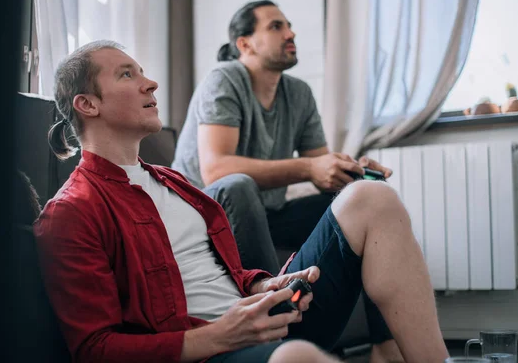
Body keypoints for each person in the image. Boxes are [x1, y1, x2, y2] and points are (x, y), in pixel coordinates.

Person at [33, 40, 449, 363]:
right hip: (209, 351)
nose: (150, 82)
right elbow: (94, 349)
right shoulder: (72, 212)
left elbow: (225, 272)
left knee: (370, 198)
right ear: (87, 105)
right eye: (127, 75)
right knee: (298, 358)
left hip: (260, 324)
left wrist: (265, 284)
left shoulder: (173, 184)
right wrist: (220, 335)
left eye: (142, 71)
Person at [171, 0, 401, 359]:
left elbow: (321, 168)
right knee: (238, 185)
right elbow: (216, 170)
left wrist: (353, 173)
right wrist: (308, 169)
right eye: (276, 26)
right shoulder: (224, 79)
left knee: (363, 198)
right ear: (245, 43)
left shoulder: (299, 93)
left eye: (289, 26)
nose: (290, 33)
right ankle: (276, 329)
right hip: (207, 223)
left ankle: (386, 349)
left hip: (265, 213)